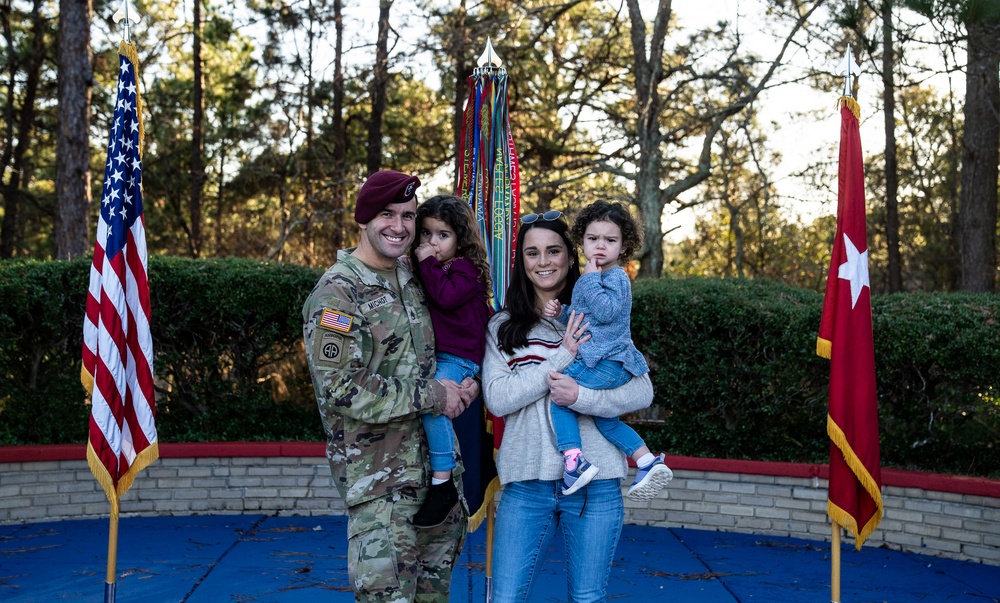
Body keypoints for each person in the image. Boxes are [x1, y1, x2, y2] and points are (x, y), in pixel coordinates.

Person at [302, 169, 479, 603]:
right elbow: (341, 388)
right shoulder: (337, 294)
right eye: (387, 214)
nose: (399, 226)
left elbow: (449, 340)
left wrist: (466, 386)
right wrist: (436, 394)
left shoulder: (413, 276)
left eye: (408, 215)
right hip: (382, 492)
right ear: (363, 219)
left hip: (439, 483)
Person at [482, 210, 655, 603]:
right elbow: (499, 398)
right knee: (505, 598)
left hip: (596, 489)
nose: (543, 261)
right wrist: (560, 357)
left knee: (588, 599)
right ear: (521, 262)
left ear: (572, 255)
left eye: (553, 250)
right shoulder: (503, 327)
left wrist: (583, 398)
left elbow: (641, 391)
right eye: (532, 253)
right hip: (526, 484)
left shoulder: (601, 315)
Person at [542, 201, 673, 501]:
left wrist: (588, 279)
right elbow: (583, 316)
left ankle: (574, 461)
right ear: (581, 241)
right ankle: (646, 461)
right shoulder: (593, 277)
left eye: (610, 240)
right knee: (606, 420)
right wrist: (560, 312)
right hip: (606, 360)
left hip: (606, 361)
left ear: (623, 245)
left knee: (559, 397)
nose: (600, 246)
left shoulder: (616, 277)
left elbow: (606, 311)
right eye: (593, 239)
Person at [408, 194, 492, 528]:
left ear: (460, 239)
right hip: (442, 356)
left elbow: (445, 296)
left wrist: (426, 262)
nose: (432, 242)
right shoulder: (431, 268)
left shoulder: (463, 268)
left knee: (435, 402)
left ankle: (442, 481)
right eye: (426, 234)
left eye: (442, 235)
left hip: (460, 359)